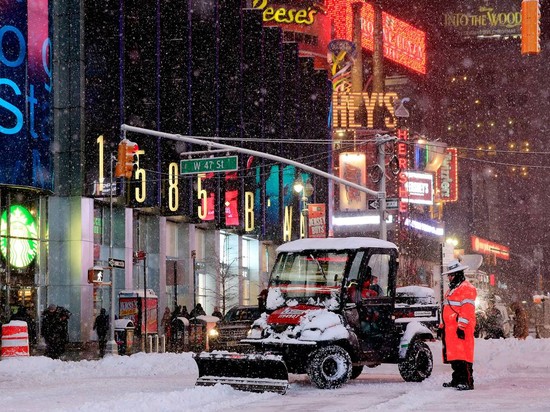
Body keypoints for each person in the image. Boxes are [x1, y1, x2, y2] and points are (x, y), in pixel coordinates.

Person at [439, 259, 477, 391]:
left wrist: (461, 327)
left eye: (451, 275)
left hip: (461, 329)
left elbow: (467, 310)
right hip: (451, 329)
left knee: (464, 356)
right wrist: (442, 326)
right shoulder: (452, 289)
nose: (449, 277)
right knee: (455, 356)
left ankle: (467, 381)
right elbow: (446, 309)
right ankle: (456, 379)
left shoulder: (466, 288)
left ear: (458, 274)